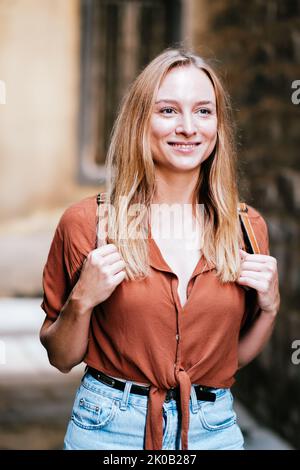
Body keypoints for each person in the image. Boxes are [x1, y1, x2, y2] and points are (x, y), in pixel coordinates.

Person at [39, 48, 280, 450]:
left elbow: (229, 360)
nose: (188, 127)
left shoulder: (246, 228)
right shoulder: (87, 224)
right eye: (168, 110)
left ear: (218, 126)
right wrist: (82, 299)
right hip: (109, 429)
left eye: (203, 112)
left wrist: (270, 308)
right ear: (139, 122)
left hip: (213, 429)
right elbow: (62, 358)